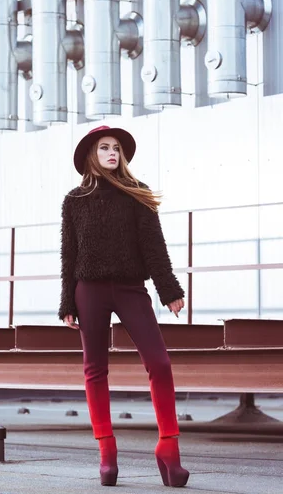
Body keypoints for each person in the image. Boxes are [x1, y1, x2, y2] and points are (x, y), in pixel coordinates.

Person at [58, 125, 190, 488]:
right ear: (91, 155)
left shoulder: (137, 194)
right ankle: (107, 454)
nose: (112, 153)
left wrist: (168, 289)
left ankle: (169, 447)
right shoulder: (74, 200)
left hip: (132, 288)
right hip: (90, 291)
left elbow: (154, 247)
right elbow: (69, 254)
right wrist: (67, 301)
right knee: (94, 370)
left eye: (116, 148)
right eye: (104, 148)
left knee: (159, 363)